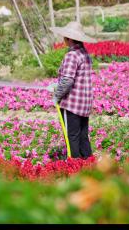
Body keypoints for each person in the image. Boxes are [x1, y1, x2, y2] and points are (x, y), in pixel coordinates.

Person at [49, 21, 96, 159]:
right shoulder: (84, 53)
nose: (63, 40)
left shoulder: (71, 55)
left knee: (72, 137)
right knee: (82, 135)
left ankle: (75, 165)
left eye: (65, 37)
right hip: (84, 104)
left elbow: (67, 80)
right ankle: (88, 161)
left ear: (69, 39)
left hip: (72, 104)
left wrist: (56, 96)